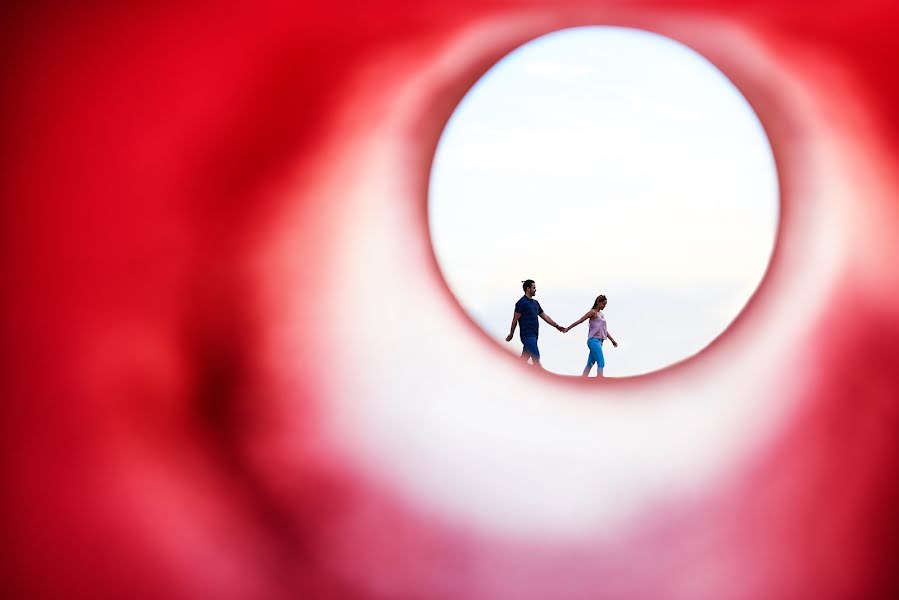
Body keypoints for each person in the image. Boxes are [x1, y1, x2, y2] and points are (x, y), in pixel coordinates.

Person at [505, 279, 565, 368]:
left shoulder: (535, 303)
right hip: (526, 336)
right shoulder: (521, 303)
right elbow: (515, 320)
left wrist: (557, 326)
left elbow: (545, 317)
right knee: (536, 357)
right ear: (528, 289)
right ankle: (541, 377)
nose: (535, 290)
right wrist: (511, 334)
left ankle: (511, 373)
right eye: (534, 288)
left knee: (523, 361)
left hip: (534, 335)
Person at [564, 294, 618, 378]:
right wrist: (568, 328)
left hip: (600, 342)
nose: (604, 306)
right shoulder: (592, 312)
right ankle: (600, 380)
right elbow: (580, 320)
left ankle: (582, 380)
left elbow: (604, 330)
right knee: (601, 362)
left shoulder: (601, 314)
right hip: (593, 341)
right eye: (603, 304)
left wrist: (612, 340)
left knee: (590, 363)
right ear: (598, 302)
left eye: (605, 304)